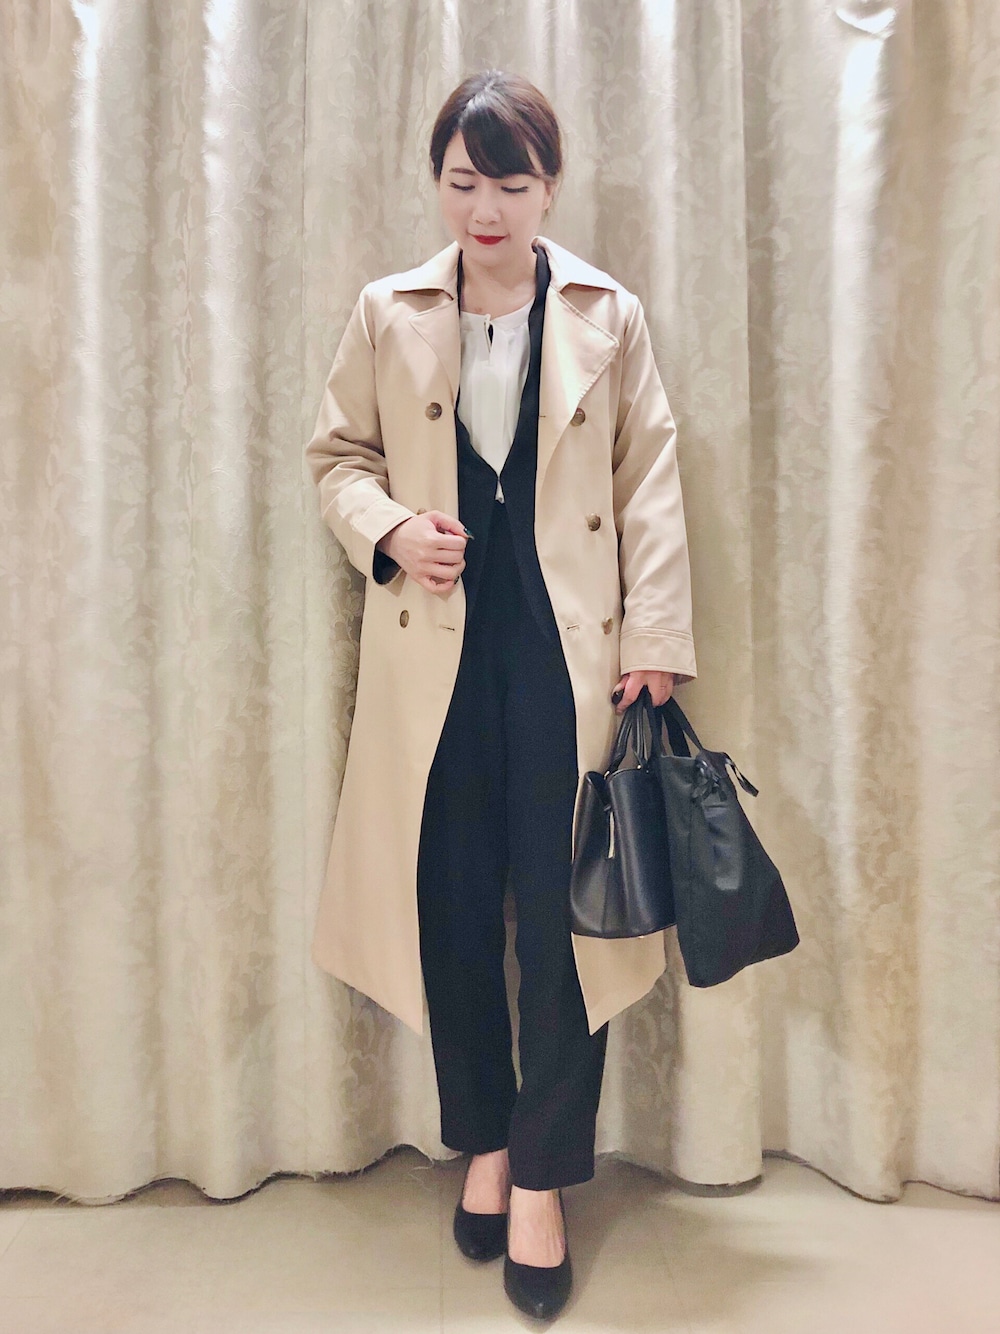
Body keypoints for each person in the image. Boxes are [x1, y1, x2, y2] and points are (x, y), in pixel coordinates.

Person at [305, 70, 696, 1321]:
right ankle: (481, 1137)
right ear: (438, 181)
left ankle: (540, 1173)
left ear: (549, 186)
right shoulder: (387, 310)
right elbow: (336, 455)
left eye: (510, 184)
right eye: (462, 181)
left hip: (567, 656)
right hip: (433, 654)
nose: (484, 209)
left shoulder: (605, 314)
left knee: (571, 916)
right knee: (453, 903)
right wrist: (387, 528)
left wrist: (657, 638)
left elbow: (648, 479)